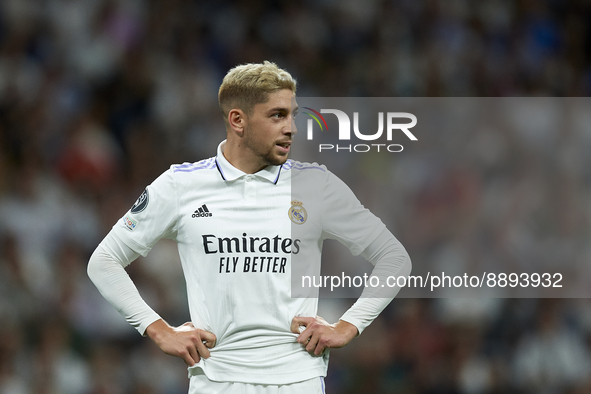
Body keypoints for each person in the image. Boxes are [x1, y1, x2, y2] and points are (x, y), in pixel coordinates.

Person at [87, 61, 411, 393]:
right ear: (238, 120)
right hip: (217, 381)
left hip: (298, 380)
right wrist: (157, 329)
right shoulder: (181, 185)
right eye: (277, 116)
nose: (291, 128)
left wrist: (349, 325)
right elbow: (104, 262)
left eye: (292, 115)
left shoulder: (316, 185)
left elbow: (395, 258)